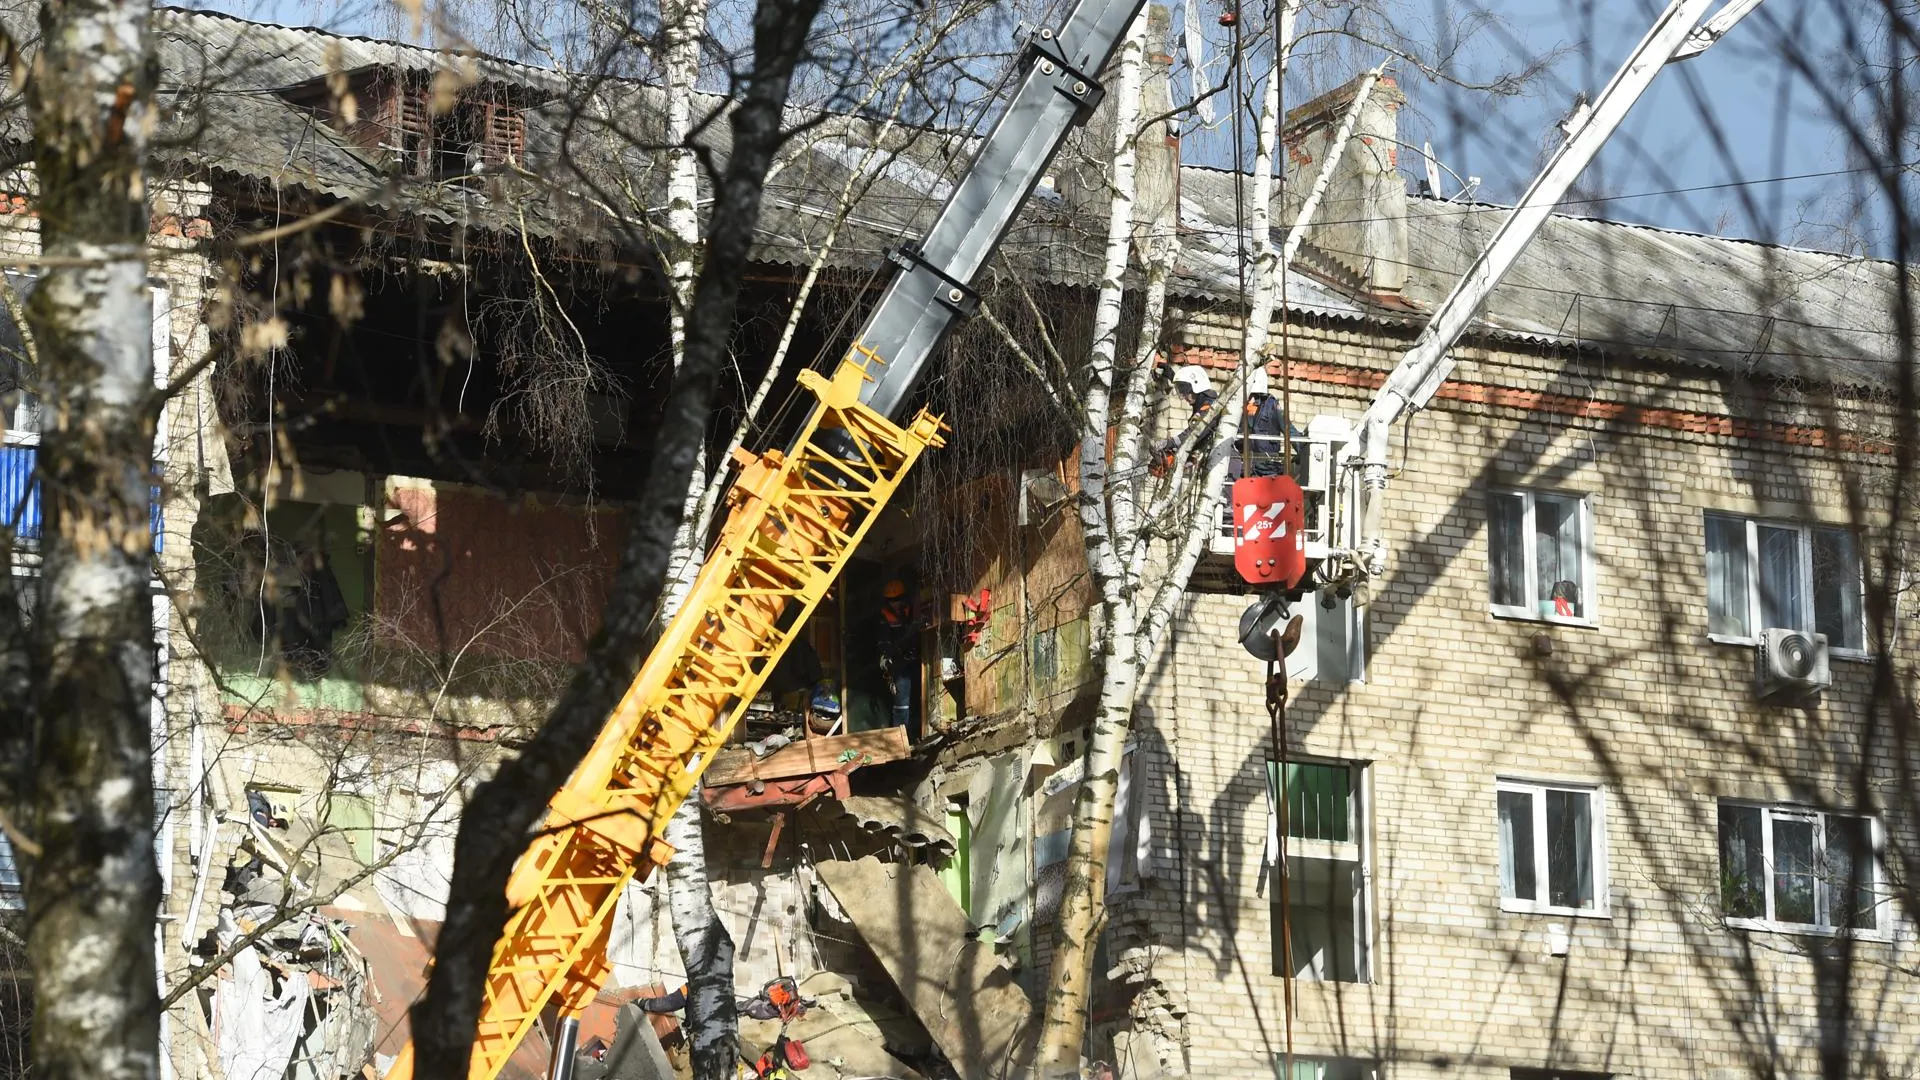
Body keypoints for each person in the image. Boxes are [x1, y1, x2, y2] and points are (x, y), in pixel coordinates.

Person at [1152, 364, 1220, 474]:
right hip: (1213, 460)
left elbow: (1194, 433)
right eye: (1181, 392)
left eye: (1185, 392)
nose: (1183, 397)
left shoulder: (1210, 407)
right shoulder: (1201, 405)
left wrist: (1170, 443)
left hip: (1224, 461)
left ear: (1196, 386)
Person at [876, 579, 920, 741]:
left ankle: (914, 735)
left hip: (913, 660)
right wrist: (887, 658)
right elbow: (884, 642)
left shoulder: (911, 610)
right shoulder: (885, 617)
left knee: (916, 700)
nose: (895, 603)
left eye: (897, 599)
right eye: (891, 601)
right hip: (898, 664)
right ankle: (899, 741)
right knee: (901, 703)